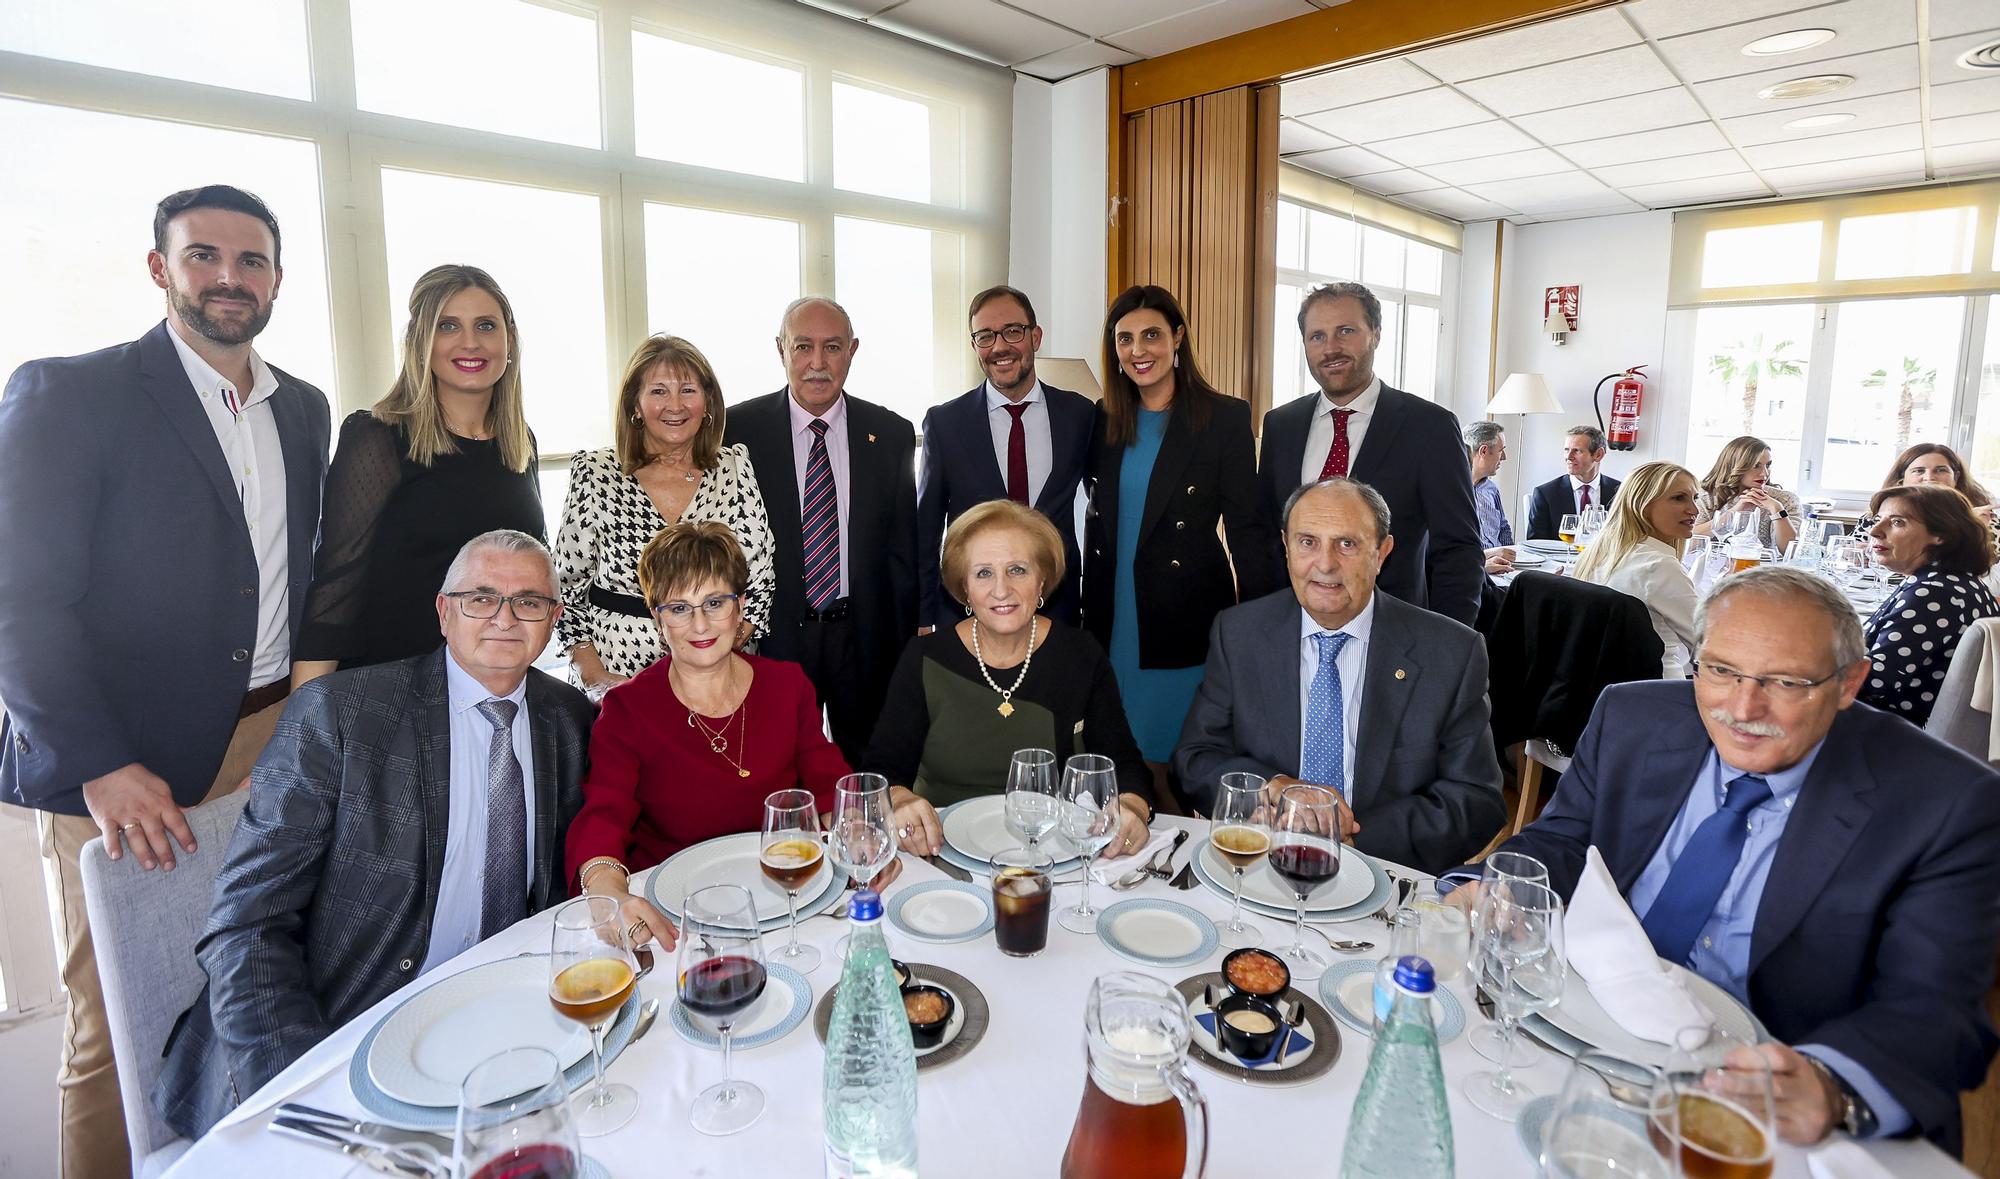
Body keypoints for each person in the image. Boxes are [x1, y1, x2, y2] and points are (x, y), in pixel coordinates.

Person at [0, 184, 331, 1179]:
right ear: (161, 269)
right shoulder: (73, 394)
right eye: (205, 257)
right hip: (125, 761)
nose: (230, 278)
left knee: (264, 981)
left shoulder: (305, 410)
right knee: (117, 1030)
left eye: (252, 261)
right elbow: (19, 598)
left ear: (276, 278)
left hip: (272, 740)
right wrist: (100, 765)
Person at [1454, 566, 2000, 1151]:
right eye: (1719, 670)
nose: (1742, 707)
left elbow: (1934, 1012)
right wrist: (1492, 886)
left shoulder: (1947, 803)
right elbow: (1561, 840)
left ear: (1848, 683)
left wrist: (1832, 1085)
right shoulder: (1631, 718)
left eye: (1786, 682)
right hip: (1587, 1024)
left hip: (1769, 1087)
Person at [153, 531, 599, 1140]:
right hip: (337, 1030)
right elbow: (246, 924)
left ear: (554, 618)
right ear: (444, 611)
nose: (504, 617)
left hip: (489, 1037)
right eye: (480, 598)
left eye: (529, 601)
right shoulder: (339, 715)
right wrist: (304, 1091)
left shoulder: (571, 721)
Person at [1175, 478, 1504, 875]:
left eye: (1347, 544)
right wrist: (1271, 786)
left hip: (1382, 870)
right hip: (1260, 863)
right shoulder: (1239, 632)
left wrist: (1353, 838)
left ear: (1382, 552)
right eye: (1308, 542)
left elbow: (1476, 799)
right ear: (1286, 546)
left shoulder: (1450, 652)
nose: (1326, 564)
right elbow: (1196, 759)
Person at [564, 520, 853, 934]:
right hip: (678, 911)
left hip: (785, 891)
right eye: (679, 608)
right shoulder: (628, 708)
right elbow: (603, 815)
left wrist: (855, 826)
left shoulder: (787, 684)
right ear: (656, 617)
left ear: (740, 607)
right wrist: (610, 893)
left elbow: (828, 779)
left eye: (715, 603)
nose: (700, 625)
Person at [292, 264, 545, 683]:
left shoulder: (520, 444)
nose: (470, 342)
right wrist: (303, 723)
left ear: (510, 340)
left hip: (492, 687)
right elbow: (336, 588)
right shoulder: (378, 437)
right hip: (390, 690)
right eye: (447, 326)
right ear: (420, 342)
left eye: (486, 325)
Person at [868, 500, 1155, 859]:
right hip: (940, 852)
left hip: (1053, 853)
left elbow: (1124, 763)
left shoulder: (1079, 654)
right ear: (965, 589)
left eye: (1017, 569)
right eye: (983, 573)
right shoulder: (924, 657)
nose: (1001, 589)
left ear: (1042, 581)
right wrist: (900, 798)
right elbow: (881, 769)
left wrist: (1132, 807)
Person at [1082, 284, 1279, 784]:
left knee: (1178, 765)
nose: (1137, 350)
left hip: (1180, 613)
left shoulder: (1224, 418)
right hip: (1112, 613)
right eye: (1124, 339)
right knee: (1120, 763)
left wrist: (1263, 626)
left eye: (1151, 335)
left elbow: (1247, 530)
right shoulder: (1103, 420)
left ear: (1178, 338)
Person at [723, 297, 917, 766]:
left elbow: (903, 553)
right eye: (803, 346)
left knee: (872, 773)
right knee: (776, 768)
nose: (817, 363)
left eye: (832, 347)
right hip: (774, 638)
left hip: (865, 637)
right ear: (780, 350)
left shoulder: (890, 432)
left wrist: (906, 645)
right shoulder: (735, 431)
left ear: (852, 350)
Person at [554, 335, 777, 697]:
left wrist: (711, 658)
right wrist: (596, 678)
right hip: (617, 685)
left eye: (687, 390)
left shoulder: (734, 467)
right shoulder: (596, 473)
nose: (675, 405)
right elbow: (565, 589)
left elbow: (761, 584)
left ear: (707, 403)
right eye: (658, 391)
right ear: (635, 405)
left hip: (718, 686)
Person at [1259, 282, 1482, 625]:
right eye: (1316, 336)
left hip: (1395, 638)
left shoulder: (1430, 427)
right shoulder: (1280, 425)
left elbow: (1458, 550)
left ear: (1376, 334)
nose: (1330, 348)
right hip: (1294, 632)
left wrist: (1448, 646)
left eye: (1345, 331)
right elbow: (1269, 538)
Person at [917, 285, 1093, 630]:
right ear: (974, 346)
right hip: (971, 613)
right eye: (985, 336)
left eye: (1012, 331)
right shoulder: (945, 423)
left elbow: (1104, 510)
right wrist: (924, 617)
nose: (999, 347)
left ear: (1035, 337)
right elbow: (926, 531)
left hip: (1057, 610)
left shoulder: (1079, 415)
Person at [1858, 483, 2000, 725]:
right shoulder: (1952, 581)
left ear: (1941, 534)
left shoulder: (1935, 594)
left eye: (1897, 522)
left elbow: (1871, 683)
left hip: (1891, 732)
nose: (1875, 531)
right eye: (1879, 519)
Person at [1570, 461, 1701, 679]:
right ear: (1643, 504)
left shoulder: (1597, 553)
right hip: (1658, 692)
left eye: (1695, 498)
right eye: (1679, 498)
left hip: (1602, 690)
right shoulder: (1658, 567)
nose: (1695, 510)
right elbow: (1710, 644)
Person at [1854, 442, 2000, 542]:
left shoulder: (1982, 518)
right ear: (1902, 479)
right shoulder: (1875, 517)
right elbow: (1852, 556)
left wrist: (1968, 526)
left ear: (1956, 477)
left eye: (1940, 470)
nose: (1929, 477)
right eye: (1919, 471)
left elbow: (1982, 565)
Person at [1692, 434, 1799, 553]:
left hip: (1764, 570)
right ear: (1734, 466)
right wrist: (1733, 512)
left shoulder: (1785, 499)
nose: (1764, 473)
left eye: (1768, 465)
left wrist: (1777, 509)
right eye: (1756, 466)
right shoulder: (1705, 497)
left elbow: (1791, 551)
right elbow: (1689, 542)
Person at [1525, 425, 1622, 541]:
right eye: (1566, 450)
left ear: (1598, 455)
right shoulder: (1546, 493)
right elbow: (1535, 543)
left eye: (1577, 451)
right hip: (1558, 558)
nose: (1569, 457)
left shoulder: (1620, 491)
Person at [1464, 420, 1515, 575]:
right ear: (1484, 451)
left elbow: (1504, 529)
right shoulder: (1451, 491)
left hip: (1502, 569)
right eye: (1501, 450)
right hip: (1476, 570)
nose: (1504, 457)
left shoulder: (1491, 489)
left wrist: (1512, 556)